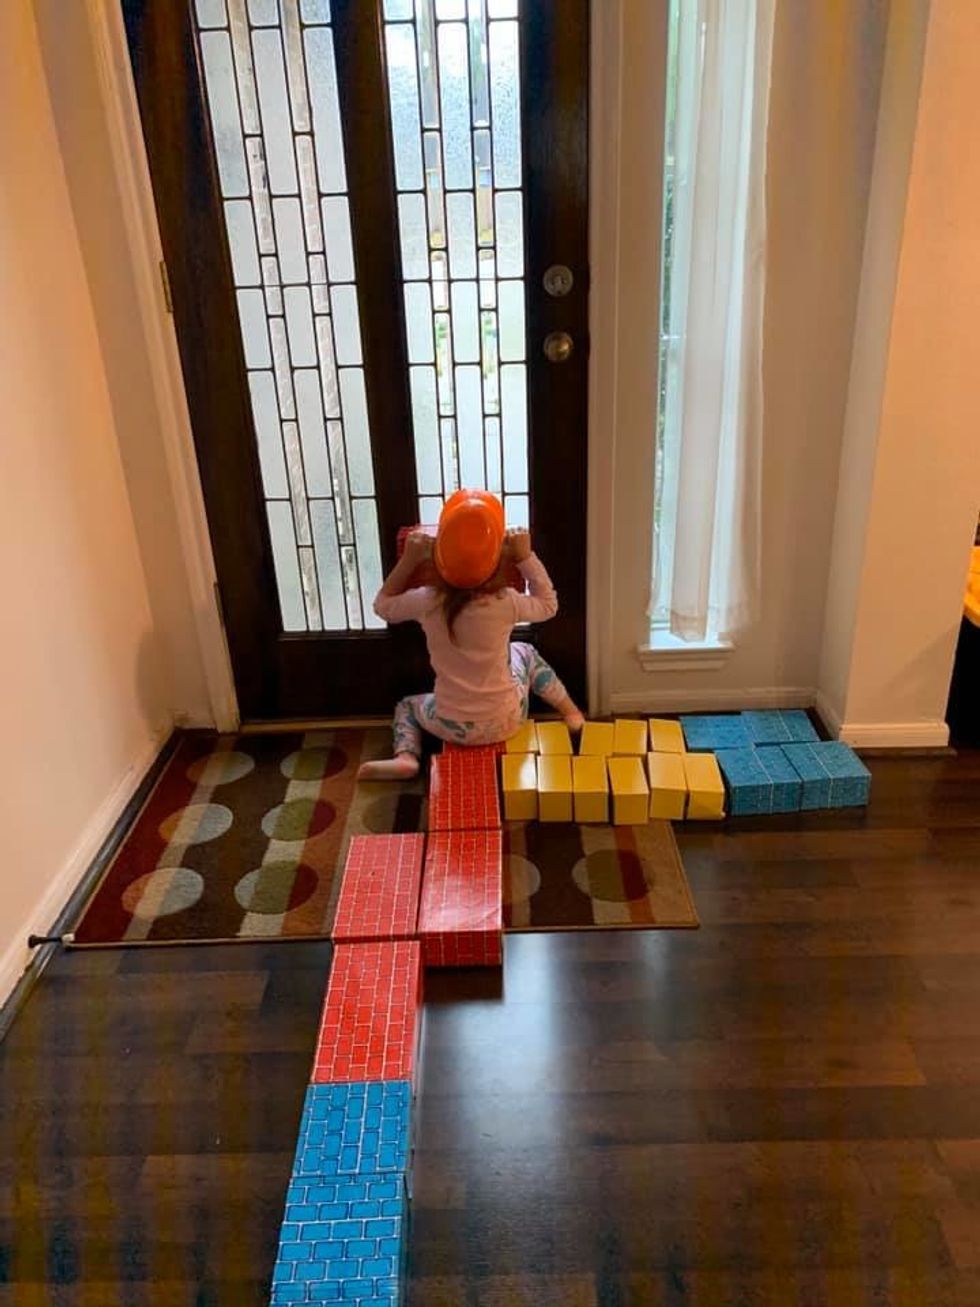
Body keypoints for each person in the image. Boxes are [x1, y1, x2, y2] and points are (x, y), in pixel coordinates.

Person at [357, 492, 584, 781]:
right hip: (508, 719)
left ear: (440, 554)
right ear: (498, 557)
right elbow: (549, 604)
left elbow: (383, 606)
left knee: (407, 706)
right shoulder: (506, 601)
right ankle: (571, 713)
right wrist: (526, 557)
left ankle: (406, 758)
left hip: (451, 723)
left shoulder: (428, 600)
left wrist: (409, 560)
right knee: (524, 651)